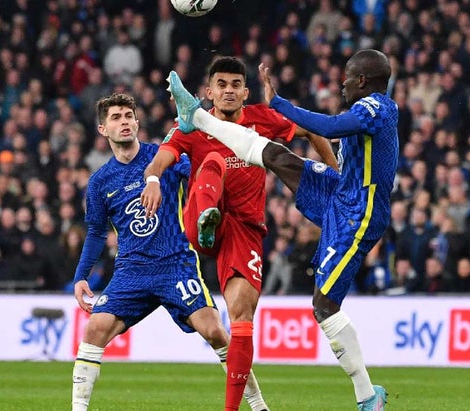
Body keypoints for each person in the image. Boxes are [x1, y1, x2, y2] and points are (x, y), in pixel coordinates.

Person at [162, 48, 394, 410]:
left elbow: (329, 127)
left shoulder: (377, 108)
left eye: (348, 77)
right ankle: (199, 119)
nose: (342, 83)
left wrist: (279, 104)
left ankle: (367, 396)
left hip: (358, 213)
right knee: (276, 156)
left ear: (362, 80)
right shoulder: (367, 107)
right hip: (341, 194)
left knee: (324, 307)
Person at [141, 56, 337, 411]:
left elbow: (311, 131)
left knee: (242, 317)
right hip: (199, 218)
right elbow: (161, 158)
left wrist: (335, 176)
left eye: (235, 85)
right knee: (213, 162)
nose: (228, 91)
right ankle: (208, 218)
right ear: (209, 92)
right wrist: (153, 179)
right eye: (221, 85)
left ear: (246, 92)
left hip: (244, 230)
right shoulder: (190, 125)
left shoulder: (261, 119)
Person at [71, 93, 268, 411]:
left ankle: (258, 406)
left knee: (215, 331)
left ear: (137, 122)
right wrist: (81, 275)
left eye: (128, 116)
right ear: (103, 129)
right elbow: (96, 232)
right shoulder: (100, 182)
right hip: (131, 271)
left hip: (176, 264)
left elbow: (200, 174)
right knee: (94, 329)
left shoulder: (164, 157)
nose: (124, 122)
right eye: (116, 118)